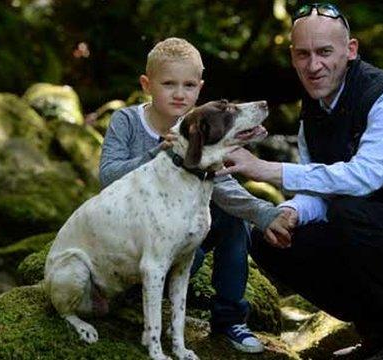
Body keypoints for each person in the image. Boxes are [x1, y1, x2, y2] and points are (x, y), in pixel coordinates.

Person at [217, 4, 383, 359]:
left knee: (350, 212)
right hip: (373, 229)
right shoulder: (313, 108)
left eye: (325, 52)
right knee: (269, 236)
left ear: (351, 50)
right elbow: (319, 192)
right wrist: (288, 211)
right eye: (303, 55)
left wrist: (266, 169)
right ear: (293, 57)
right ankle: (381, 332)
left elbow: (364, 177)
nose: (314, 66)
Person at [99, 37, 290, 354]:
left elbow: (222, 186)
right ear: (147, 84)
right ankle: (131, 299)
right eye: (168, 84)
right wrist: (159, 151)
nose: (179, 93)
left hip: (179, 238)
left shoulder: (201, 126)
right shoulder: (128, 121)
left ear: (200, 87)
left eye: (189, 85)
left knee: (231, 219)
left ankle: (230, 319)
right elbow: (107, 178)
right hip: (136, 241)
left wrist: (265, 213)